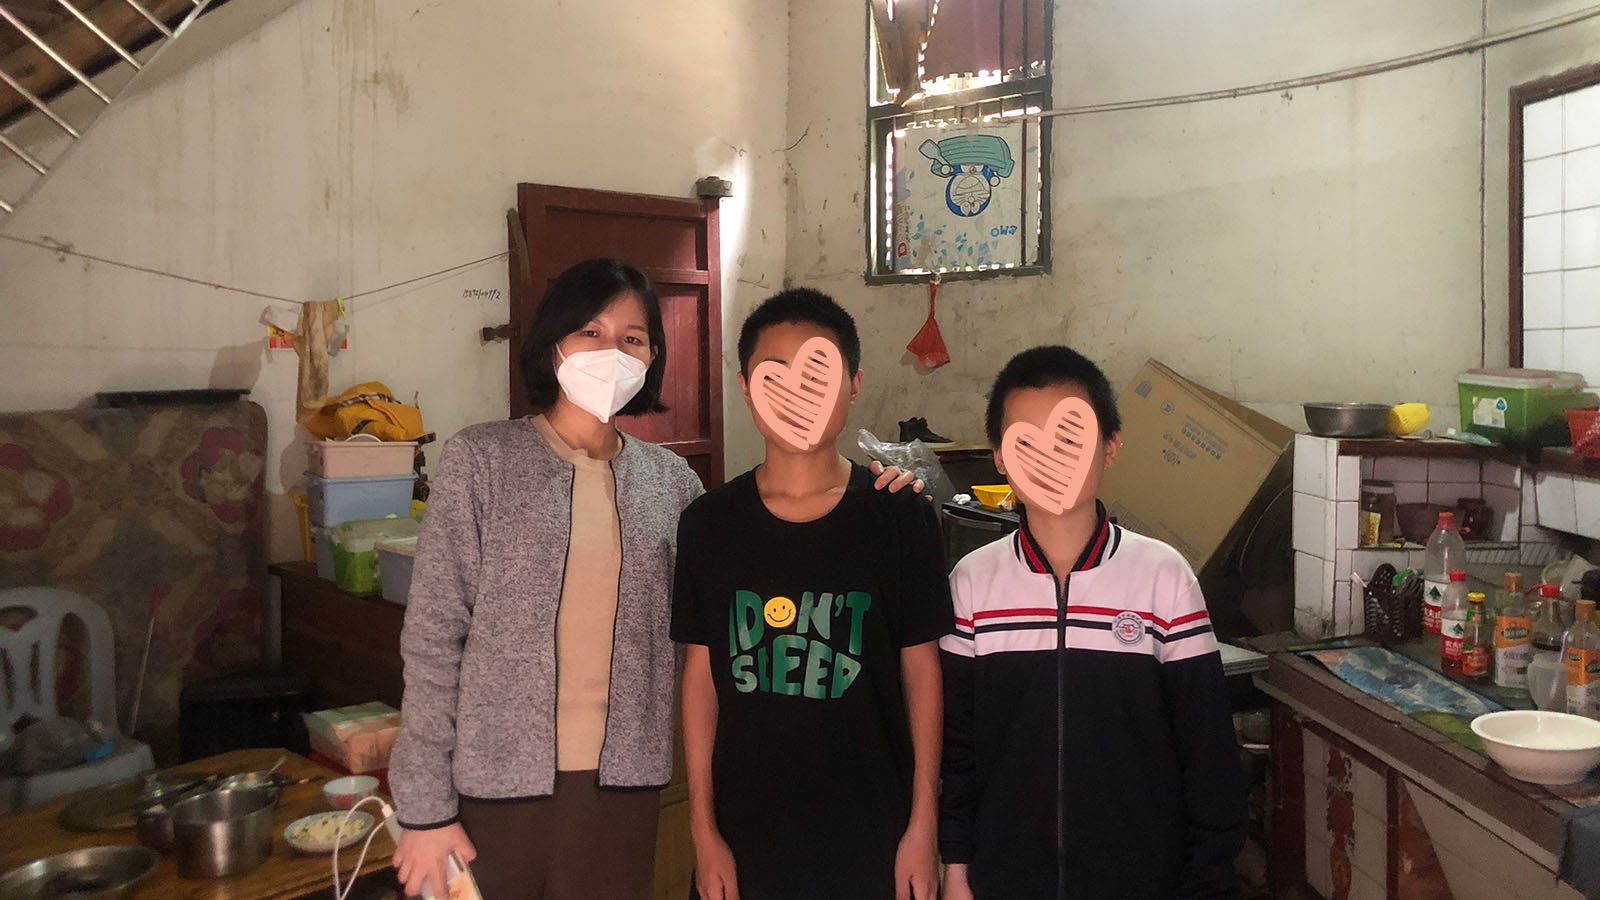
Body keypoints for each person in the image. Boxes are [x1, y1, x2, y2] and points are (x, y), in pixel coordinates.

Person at [387, 258, 704, 900]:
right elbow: (432, 638)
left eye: (633, 338)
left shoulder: (674, 487)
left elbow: (704, 634)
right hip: (494, 787)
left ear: (652, 359)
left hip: (624, 786)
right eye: (590, 331)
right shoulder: (481, 462)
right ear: (553, 342)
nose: (611, 350)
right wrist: (424, 807)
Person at [671, 288, 952, 900]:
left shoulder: (899, 519)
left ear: (853, 384)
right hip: (747, 837)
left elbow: (922, 673)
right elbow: (701, 677)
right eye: (775, 377)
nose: (798, 395)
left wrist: (922, 825)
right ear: (746, 387)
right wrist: (703, 828)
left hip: (873, 831)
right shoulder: (708, 524)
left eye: (818, 374)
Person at [939, 346, 1246, 900]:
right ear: (1000, 457)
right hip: (1006, 880)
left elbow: (1208, 757)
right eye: (1026, 442)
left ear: (1110, 447)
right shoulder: (972, 585)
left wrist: (1207, 882)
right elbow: (957, 753)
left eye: (1070, 439)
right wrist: (956, 867)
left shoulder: (1162, 579)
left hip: (1140, 880)